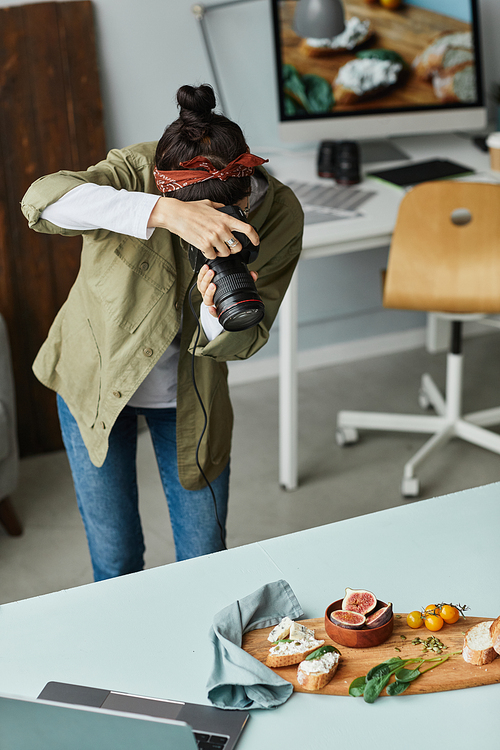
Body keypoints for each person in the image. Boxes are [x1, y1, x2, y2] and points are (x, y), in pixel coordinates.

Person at [21, 84, 303, 581]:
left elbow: (249, 336)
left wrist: (219, 312)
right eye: (198, 222)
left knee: (204, 558)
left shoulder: (279, 214)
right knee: (116, 559)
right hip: (96, 379)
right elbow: (41, 202)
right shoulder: (137, 171)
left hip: (191, 399)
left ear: (247, 192)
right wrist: (161, 213)